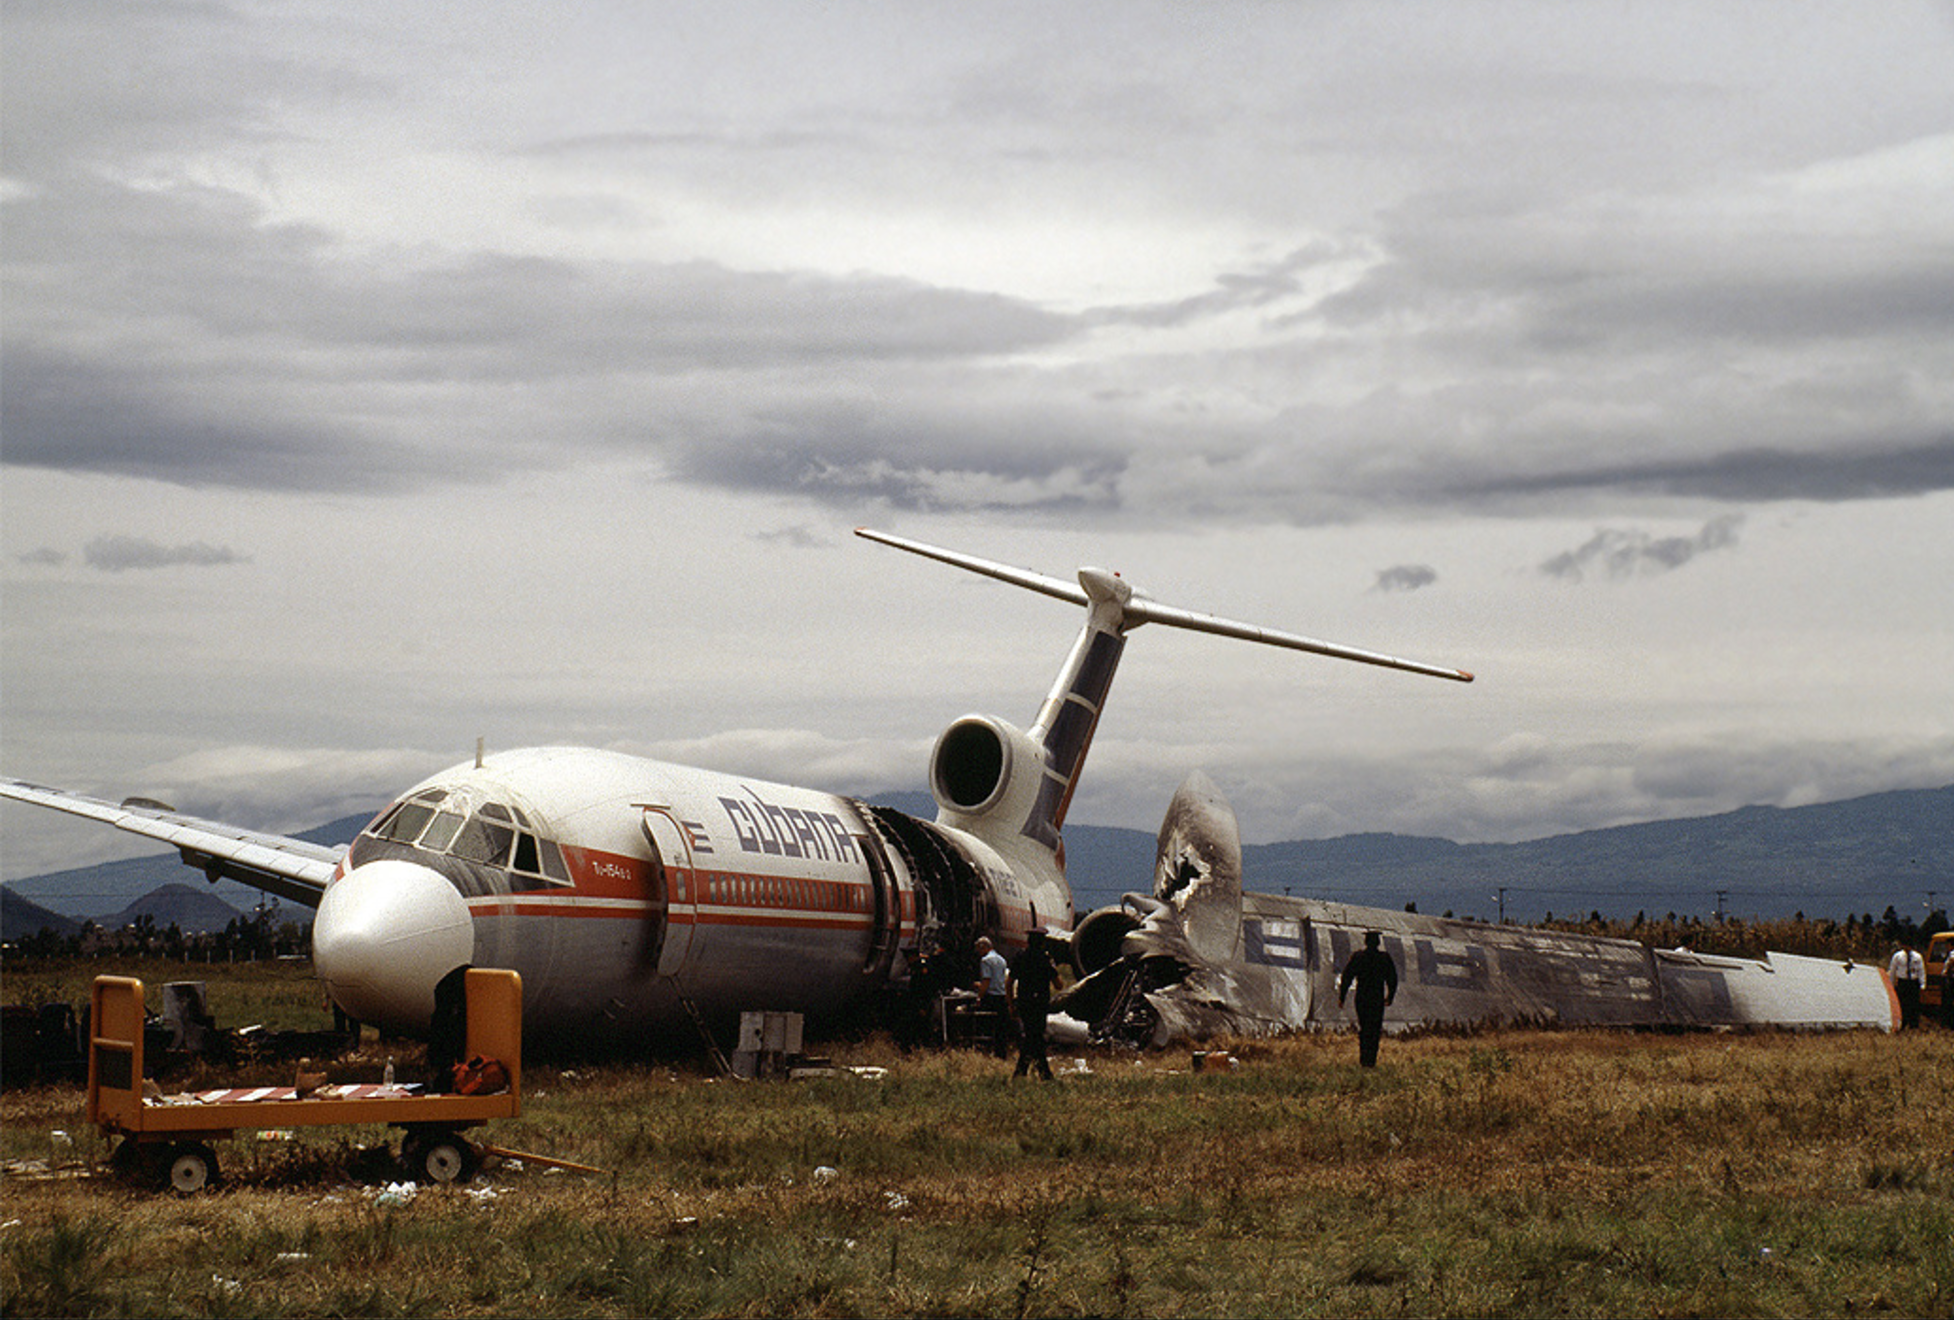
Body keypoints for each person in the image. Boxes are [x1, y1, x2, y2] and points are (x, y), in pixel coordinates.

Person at [1338, 931, 1399, 1067]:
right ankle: (1371, 1060)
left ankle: (1364, 1059)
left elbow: (1347, 977)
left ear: (1366, 942)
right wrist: (1390, 996)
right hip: (1376, 997)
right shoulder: (1384, 958)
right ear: (1378, 942)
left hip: (1362, 998)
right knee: (1375, 1029)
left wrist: (1342, 996)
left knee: (1364, 1028)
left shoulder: (1358, 957)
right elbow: (1392, 979)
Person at [1008, 929, 1061, 1080]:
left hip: (1024, 1003)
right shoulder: (1045, 959)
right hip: (1040, 1004)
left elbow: (1009, 982)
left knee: (1032, 1036)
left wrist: (1011, 1004)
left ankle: (1024, 1072)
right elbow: (1059, 985)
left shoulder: (1020, 957)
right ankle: (1041, 1073)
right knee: (1036, 1037)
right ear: (1043, 942)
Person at [973, 936, 1011, 1057]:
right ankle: (1001, 1053)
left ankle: (985, 1050)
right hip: (1001, 996)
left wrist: (979, 996)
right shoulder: (1001, 960)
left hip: (991, 997)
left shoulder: (985, 961)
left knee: (985, 1025)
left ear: (983, 947)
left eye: (979, 949)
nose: (978, 953)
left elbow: (986, 980)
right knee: (1001, 1028)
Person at [1889, 944, 1925, 1030]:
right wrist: (1891, 984)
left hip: (1913, 982)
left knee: (1914, 1004)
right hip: (1903, 982)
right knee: (1902, 1004)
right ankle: (1902, 1024)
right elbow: (1893, 970)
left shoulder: (1917, 956)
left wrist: (1922, 984)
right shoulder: (1898, 956)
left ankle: (1914, 1025)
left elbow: (1921, 970)